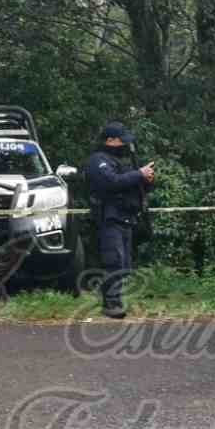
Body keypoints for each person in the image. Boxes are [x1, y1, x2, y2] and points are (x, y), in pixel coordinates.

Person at [85, 122, 155, 319]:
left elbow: (133, 188)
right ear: (110, 140)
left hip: (126, 218)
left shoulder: (119, 161)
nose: (124, 144)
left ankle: (116, 300)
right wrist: (138, 174)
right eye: (121, 140)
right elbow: (111, 183)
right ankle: (112, 304)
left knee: (124, 264)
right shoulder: (98, 160)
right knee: (113, 262)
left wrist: (146, 179)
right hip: (109, 218)